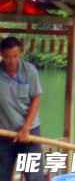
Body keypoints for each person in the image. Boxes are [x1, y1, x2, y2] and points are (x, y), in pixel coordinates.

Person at [0, 37, 44, 181]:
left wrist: (25, 128)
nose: (12, 61)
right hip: (4, 133)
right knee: (2, 174)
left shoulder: (30, 71)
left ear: (21, 53)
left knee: (33, 176)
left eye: (15, 56)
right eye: (7, 57)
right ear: (1, 55)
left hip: (29, 133)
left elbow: (36, 100)